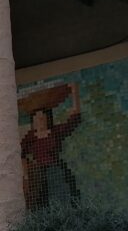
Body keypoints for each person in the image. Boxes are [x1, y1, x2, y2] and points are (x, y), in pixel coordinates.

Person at [20, 82, 82, 210]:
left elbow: (74, 119)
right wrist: (25, 174)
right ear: (34, 122)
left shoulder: (55, 132)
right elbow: (20, 154)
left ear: (47, 119)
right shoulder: (30, 137)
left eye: (42, 118)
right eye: (37, 119)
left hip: (54, 170)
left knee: (61, 200)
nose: (40, 121)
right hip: (37, 173)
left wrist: (74, 93)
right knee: (39, 204)